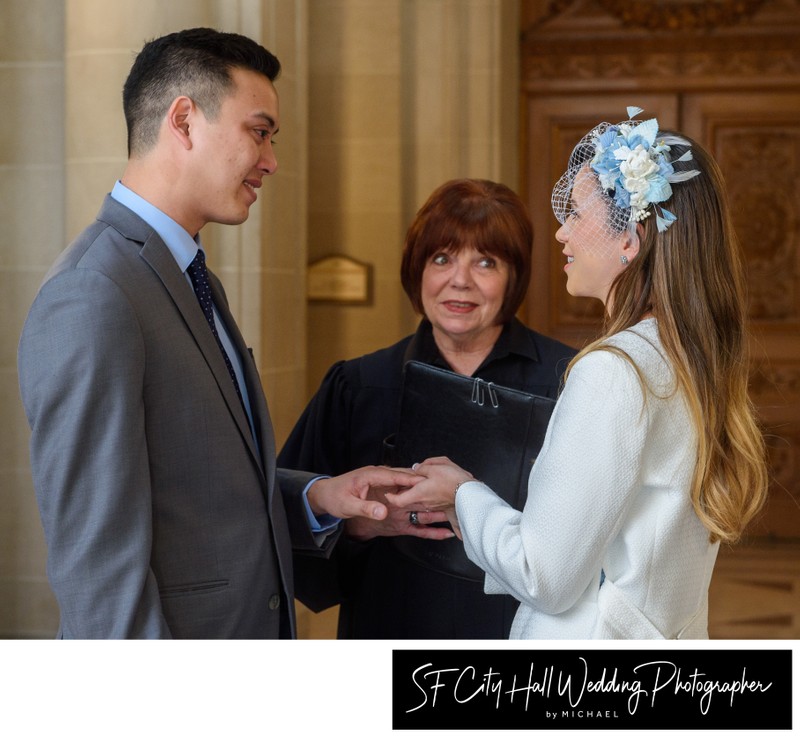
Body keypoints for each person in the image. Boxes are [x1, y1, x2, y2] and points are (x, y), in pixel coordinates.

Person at [17, 27, 420, 639]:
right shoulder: (94, 293)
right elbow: (99, 572)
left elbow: (197, 487)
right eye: (259, 132)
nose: (271, 160)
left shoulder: (187, 273)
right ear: (183, 121)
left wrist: (319, 500)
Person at [387, 107, 769, 639]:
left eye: (579, 216)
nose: (562, 234)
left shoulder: (615, 372)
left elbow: (545, 574)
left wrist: (461, 495)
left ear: (630, 239)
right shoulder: (688, 358)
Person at [278, 178, 577, 638]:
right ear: (417, 270)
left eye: (485, 261)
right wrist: (361, 525)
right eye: (442, 258)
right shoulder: (359, 385)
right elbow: (288, 524)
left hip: (521, 633)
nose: (460, 279)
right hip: (391, 624)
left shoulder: (567, 381)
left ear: (514, 276)